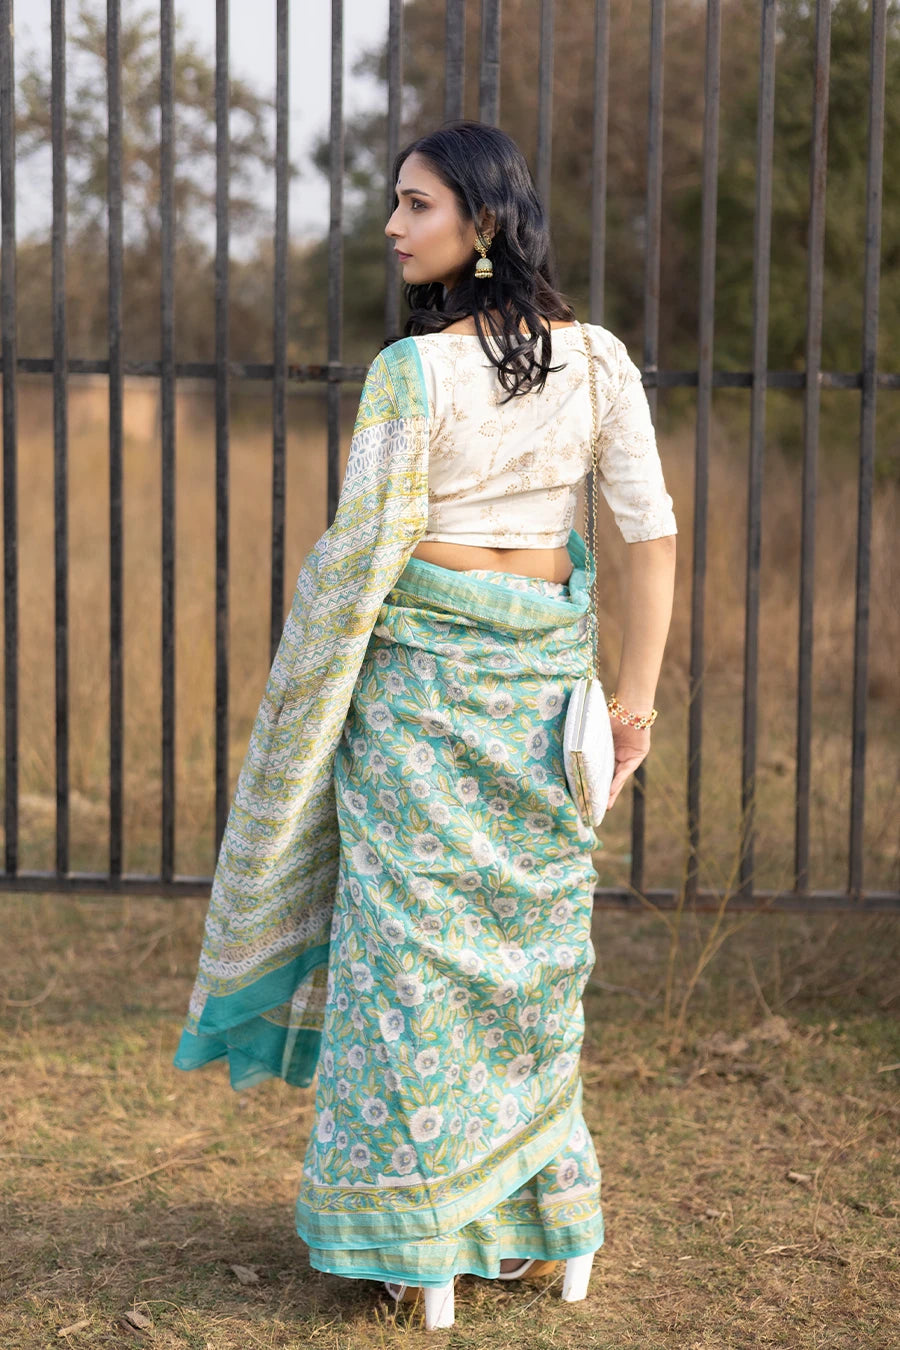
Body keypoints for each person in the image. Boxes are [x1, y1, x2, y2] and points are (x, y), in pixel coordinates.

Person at [173, 119, 676, 1331]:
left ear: (482, 223)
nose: (393, 226)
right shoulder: (600, 358)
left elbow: (360, 560)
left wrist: (305, 696)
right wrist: (635, 699)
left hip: (421, 695)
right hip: (551, 694)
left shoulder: (414, 374)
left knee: (411, 976)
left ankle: (424, 1240)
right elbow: (647, 533)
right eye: (395, 204)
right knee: (526, 971)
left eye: (416, 205)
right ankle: (539, 1226)